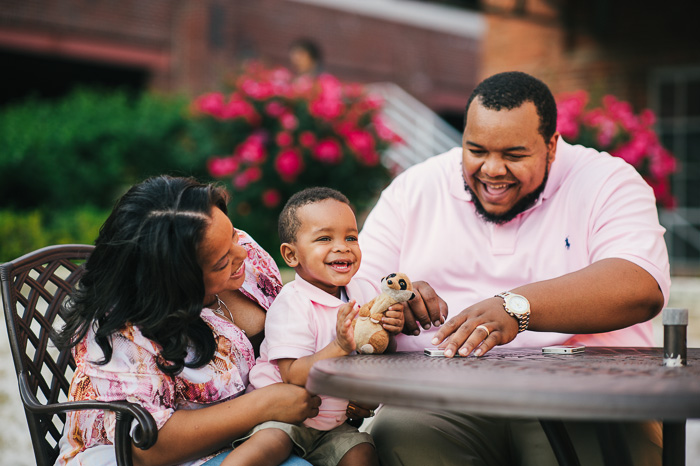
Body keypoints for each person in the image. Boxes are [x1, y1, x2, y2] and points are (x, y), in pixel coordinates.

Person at [357, 71, 671, 465]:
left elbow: (638, 285)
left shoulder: (608, 181)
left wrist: (516, 308)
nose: (491, 170)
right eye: (476, 150)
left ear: (552, 146)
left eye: (513, 155)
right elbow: (355, 294)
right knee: (396, 436)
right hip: (440, 398)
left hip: (586, 396)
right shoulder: (414, 188)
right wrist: (392, 303)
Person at [53, 175, 321, 466]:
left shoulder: (242, 254)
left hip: (263, 435)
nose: (242, 252)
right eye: (221, 262)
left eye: (232, 234)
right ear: (174, 282)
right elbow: (147, 447)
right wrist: (263, 405)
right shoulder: (124, 333)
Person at [227, 187, 405, 466]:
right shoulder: (292, 303)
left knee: (362, 453)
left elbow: (375, 348)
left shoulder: (363, 290)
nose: (342, 246)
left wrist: (390, 330)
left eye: (351, 237)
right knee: (265, 447)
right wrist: (339, 346)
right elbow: (294, 376)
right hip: (282, 415)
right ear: (291, 255)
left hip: (332, 423)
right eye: (324, 238)